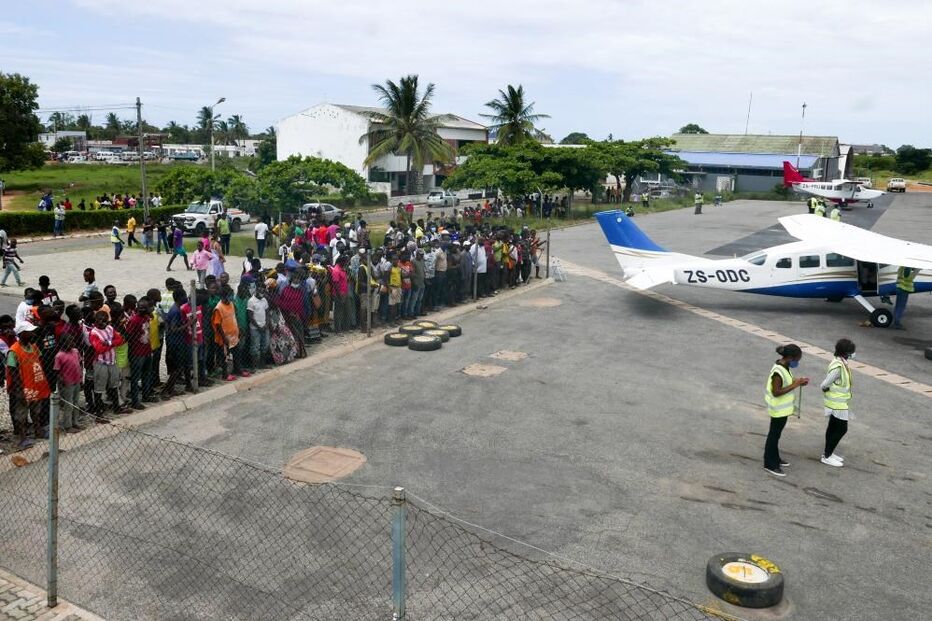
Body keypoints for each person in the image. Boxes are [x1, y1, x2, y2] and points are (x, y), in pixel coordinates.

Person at [763, 344, 809, 477]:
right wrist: (795, 384)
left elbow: (786, 381)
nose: (797, 362)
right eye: (797, 360)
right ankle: (770, 464)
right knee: (773, 435)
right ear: (790, 357)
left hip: (782, 410)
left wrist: (797, 381)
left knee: (776, 435)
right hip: (778, 409)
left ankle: (775, 458)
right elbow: (776, 392)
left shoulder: (784, 366)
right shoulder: (778, 371)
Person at [6, 323, 51, 448]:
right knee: (22, 413)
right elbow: (12, 371)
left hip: (34, 385)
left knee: (36, 410)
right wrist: (20, 389)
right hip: (22, 387)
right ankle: (23, 438)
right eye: (29, 332)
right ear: (21, 334)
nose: (33, 334)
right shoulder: (14, 351)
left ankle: (38, 431)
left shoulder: (34, 347)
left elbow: (38, 363)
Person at [820, 338, 856, 468]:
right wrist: (827, 390)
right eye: (852, 352)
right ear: (846, 352)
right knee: (841, 428)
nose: (853, 354)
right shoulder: (838, 366)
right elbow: (824, 384)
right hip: (837, 403)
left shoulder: (841, 362)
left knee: (833, 427)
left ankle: (828, 453)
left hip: (839, 402)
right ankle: (827, 456)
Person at [53, 333, 84, 432]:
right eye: (69, 341)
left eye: (72, 341)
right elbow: (57, 371)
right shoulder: (59, 356)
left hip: (76, 380)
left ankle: (75, 422)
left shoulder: (75, 351)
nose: (72, 343)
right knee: (68, 404)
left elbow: (79, 363)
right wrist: (61, 381)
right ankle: (68, 425)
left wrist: (81, 376)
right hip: (67, 383)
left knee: (76, 402)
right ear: (63, 343)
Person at [892, 266, 918, 330]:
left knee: (898, 305)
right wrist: (917, 270)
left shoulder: (902, 267)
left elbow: (899, 273)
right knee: (901, 306)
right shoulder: (907, 268)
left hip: (899, 287)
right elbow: (908, 278)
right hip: (904, 289)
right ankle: (896, 323)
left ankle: (896, 320)